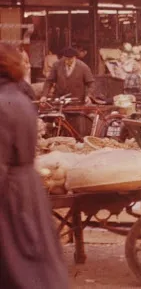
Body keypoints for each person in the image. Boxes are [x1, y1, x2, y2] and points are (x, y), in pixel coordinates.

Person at [0, 43, 69, 289]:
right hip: (29, 187)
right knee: (36, 254)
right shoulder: (20, 99)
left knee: (15, 260)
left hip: (10, 191)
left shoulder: (2, 104)